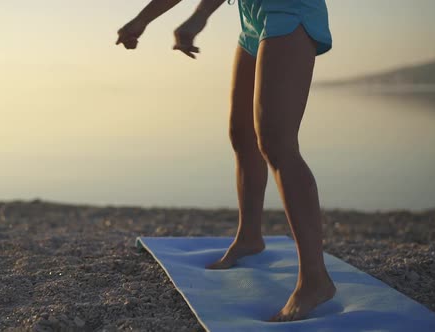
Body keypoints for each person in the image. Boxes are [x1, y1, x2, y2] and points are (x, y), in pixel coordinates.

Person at [116, 0, 336, 322]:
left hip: (290, 10)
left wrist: (198, 17)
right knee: (242, 136)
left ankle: (315, 280)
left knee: (277, 144)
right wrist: (142, 20)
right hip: (252, 17)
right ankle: (249, 237)